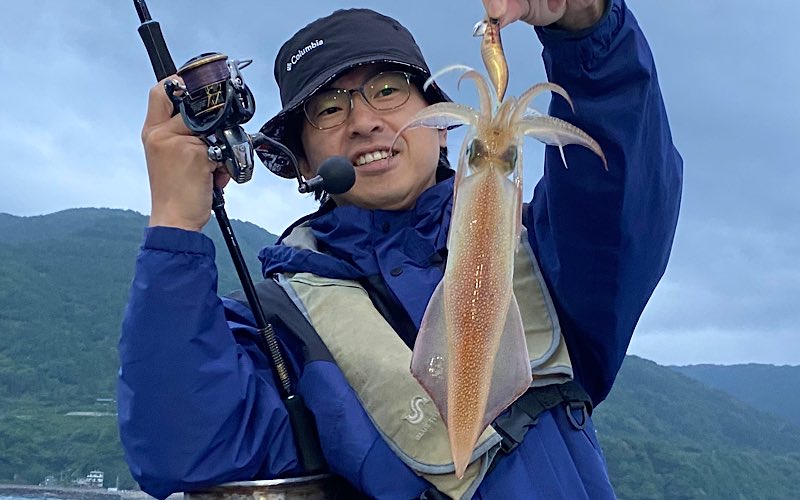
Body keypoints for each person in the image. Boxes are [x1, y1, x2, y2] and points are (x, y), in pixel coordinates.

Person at [119, 0, 682, 498]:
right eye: (329, 109)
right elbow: (181, 447)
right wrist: (175, 225)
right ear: (303, 162)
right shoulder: (279, 327)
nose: (364, 121)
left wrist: (588, 28)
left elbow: (624, 188)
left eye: (388, 90)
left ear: (440, 125)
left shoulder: (550, 255)